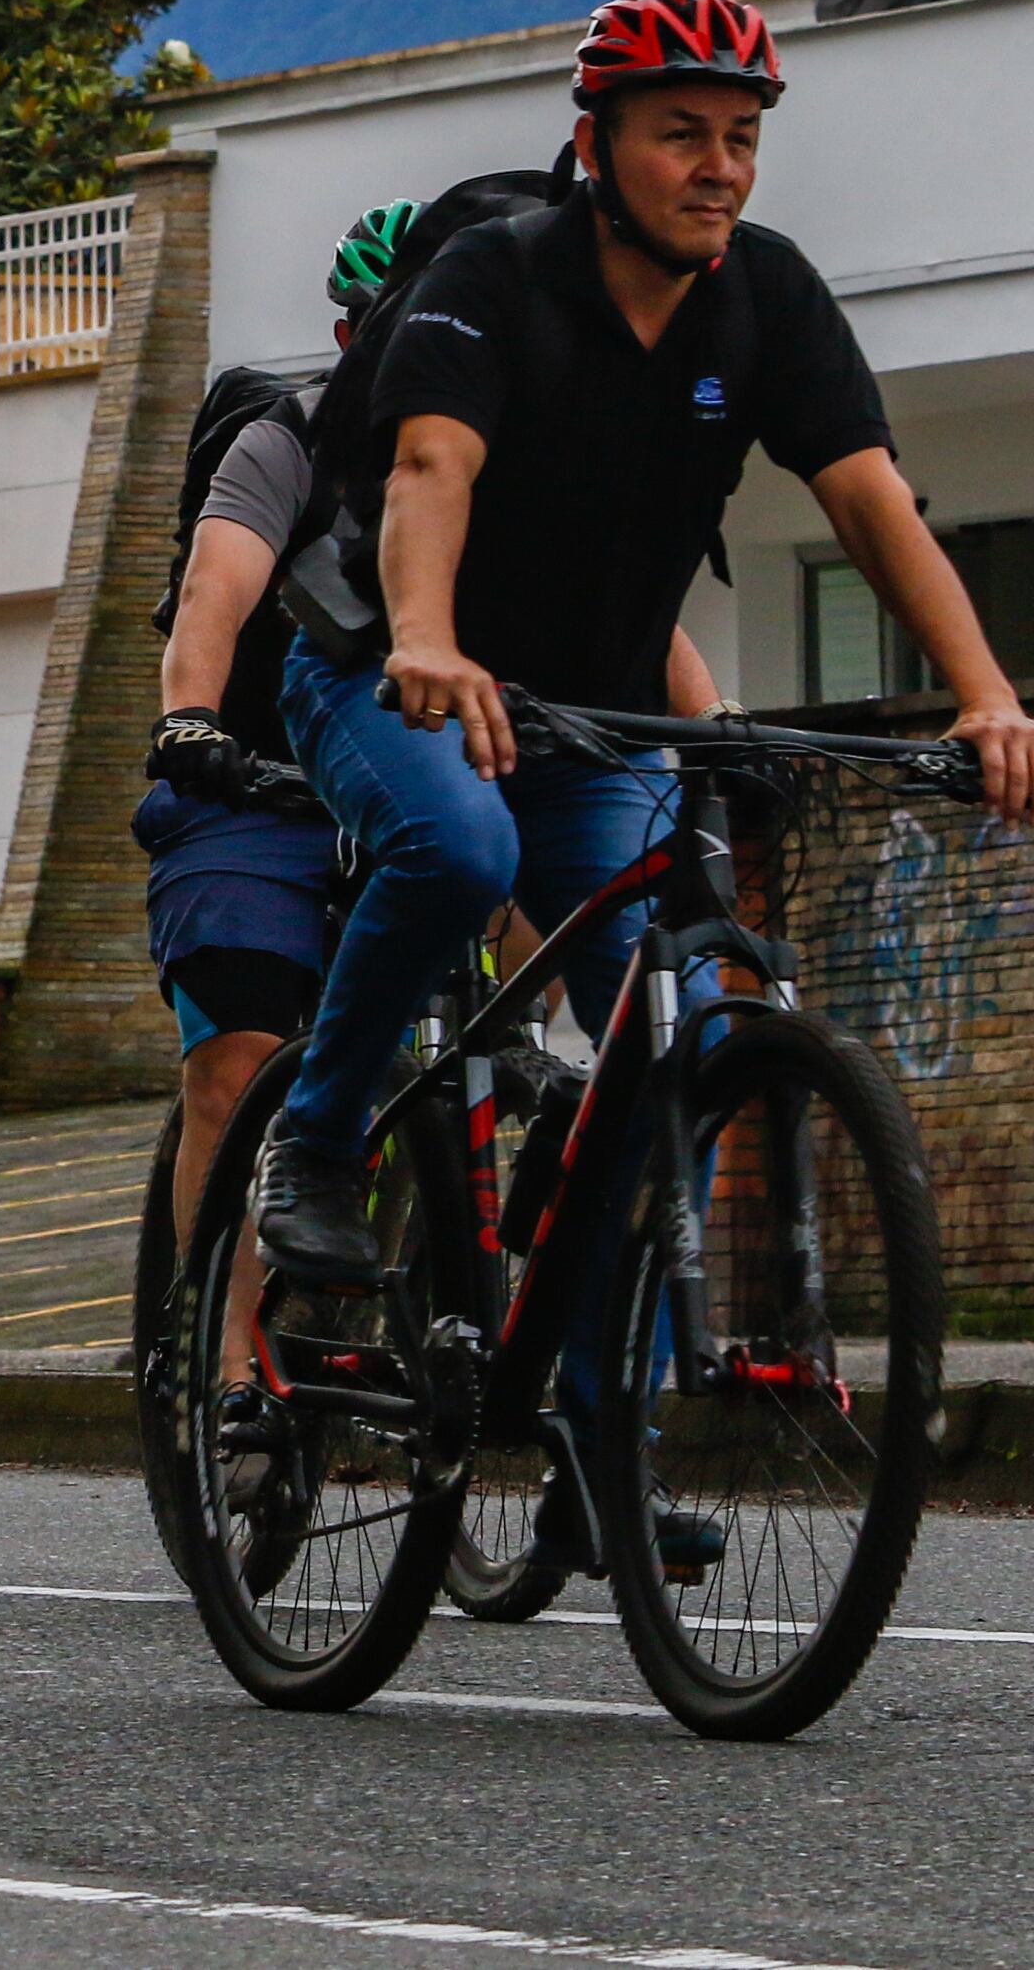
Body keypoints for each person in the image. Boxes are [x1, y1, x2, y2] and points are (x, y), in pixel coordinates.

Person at [253, 0, 1034, 1379]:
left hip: (584, 709)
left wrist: (987, 691)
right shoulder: (492, 277)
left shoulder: (769, 299)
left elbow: (874, 503)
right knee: (457, 847)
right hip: (384, 668)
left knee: (662, 1036)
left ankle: (594, 1441)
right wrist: (428, 639)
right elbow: (430, 471)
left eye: (743, 137)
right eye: (683, 132)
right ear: (598, 141)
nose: (720, 167)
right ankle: (315, 1144)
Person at [141, 192, 721, 1345]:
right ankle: (223, 1360)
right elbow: (216, 594)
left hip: (433, 766)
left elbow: (635, 619)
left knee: (604, 998)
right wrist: (191, 719)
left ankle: (550, 1238)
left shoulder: (522, 436)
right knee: (236, 1058)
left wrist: (716, 744)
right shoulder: (290, 437)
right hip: (255, 781)